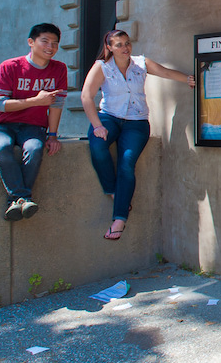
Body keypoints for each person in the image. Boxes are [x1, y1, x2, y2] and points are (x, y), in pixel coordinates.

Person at [81, 30, 195, 240]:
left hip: (136, 122)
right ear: (109, 48)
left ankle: (120, 219)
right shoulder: (102, 67)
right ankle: (114, 191)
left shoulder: (141, 63)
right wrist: (97, 125)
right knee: (98, 147)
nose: (125, 48)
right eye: (119, 45)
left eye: (127, 43)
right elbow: (86, 96)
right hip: (109, 117)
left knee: (126, 163)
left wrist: (188, 79)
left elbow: (166, 73)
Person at [0, 23, 68, 221]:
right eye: (45, 41)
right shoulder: (10, 66)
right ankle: (22, 198)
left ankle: (17, 201)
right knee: (3, 146)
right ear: (31, 42)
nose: (50, 47)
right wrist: (35, 101)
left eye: (55, 43)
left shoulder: (59, 69)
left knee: (35, 149)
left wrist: (53, 135)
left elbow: (57, 104)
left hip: (33, 126)